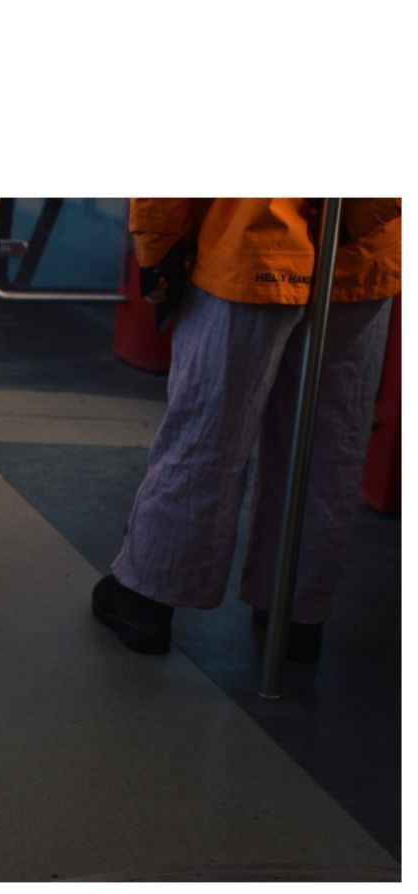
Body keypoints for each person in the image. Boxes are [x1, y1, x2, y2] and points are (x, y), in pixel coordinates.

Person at [92, 198, 401, 660]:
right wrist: (358, 219)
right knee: (327, 446)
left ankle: (147, 597)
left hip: (250, 242)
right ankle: (295, 612)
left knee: (208, 432)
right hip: (360, 258)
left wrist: (157, 246)